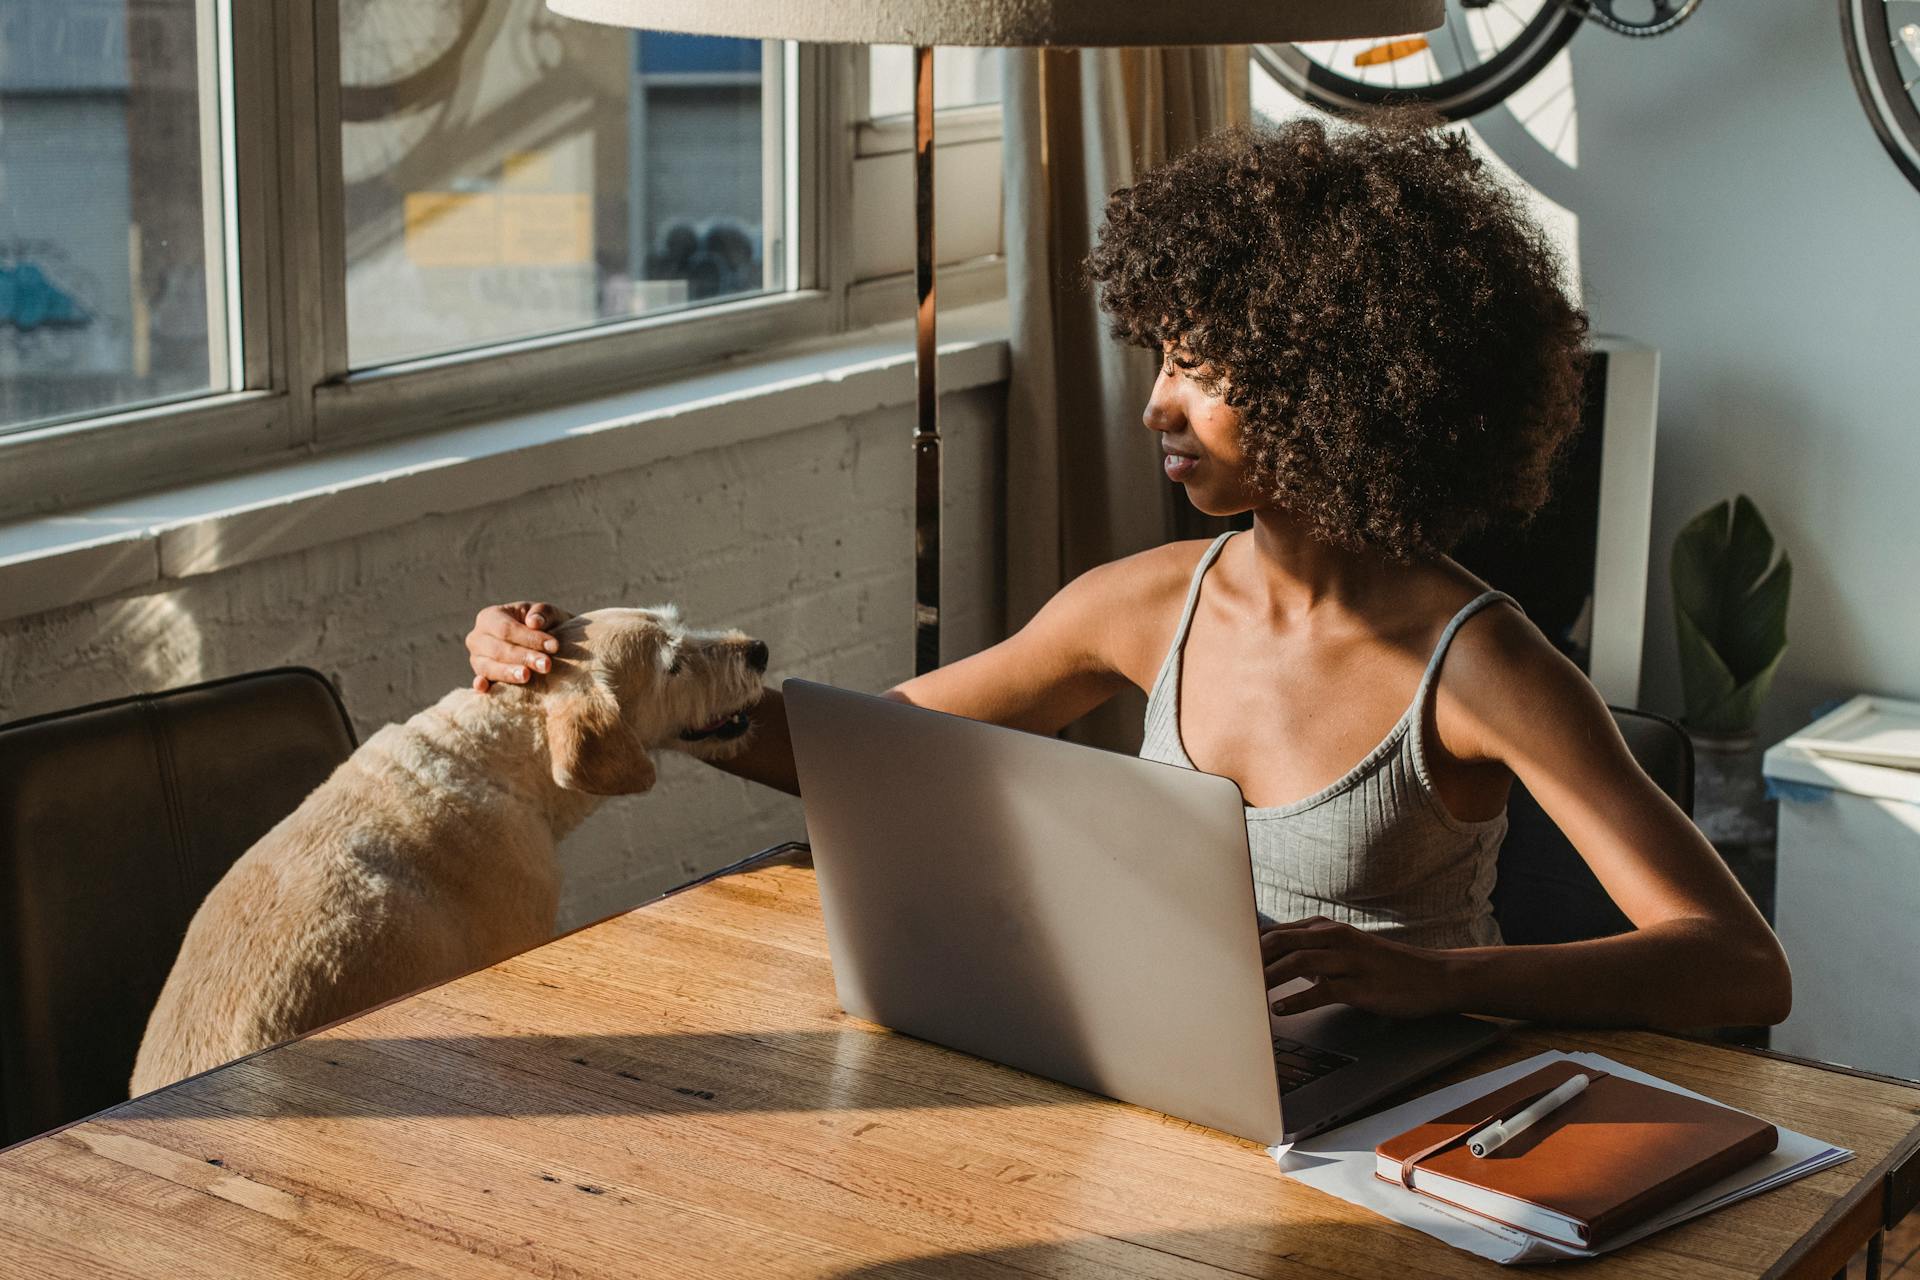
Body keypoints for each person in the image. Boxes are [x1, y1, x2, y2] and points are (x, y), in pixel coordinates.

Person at [465, 115, 1790, 1033]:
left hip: (1414, 1112)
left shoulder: (1481, 663)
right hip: (1186, 1074)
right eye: (1156, 357)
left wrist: (1441, 984)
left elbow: (1737, 967)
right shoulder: (1147, 604)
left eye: (1199, 372)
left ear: (1333, 386)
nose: (1155, 405)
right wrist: (615, 673)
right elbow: (864, 747)